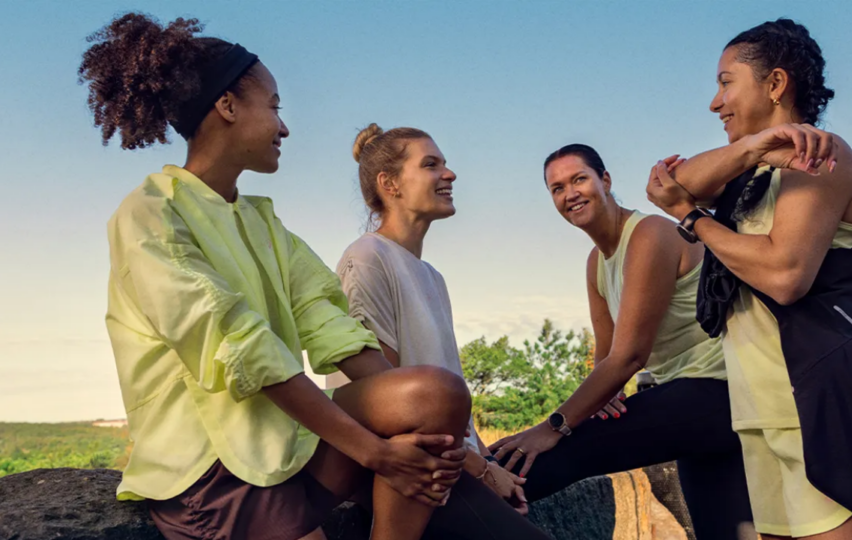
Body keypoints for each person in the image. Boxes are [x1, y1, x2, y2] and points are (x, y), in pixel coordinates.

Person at [83, 13, 544, 540]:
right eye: (275, 107)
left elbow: (332, 326)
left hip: (293, 447)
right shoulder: (150, 215)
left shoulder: (263, 222)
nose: (284, 126)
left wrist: (438, 433)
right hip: (216, 474)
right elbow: (243, 346)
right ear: (228, 106)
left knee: (436, 393)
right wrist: (376, 452)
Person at [645, 18, 852, 540]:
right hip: (764, 416)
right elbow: (668, 184)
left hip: (837, 408)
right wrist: (754, 148)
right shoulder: (752, 172)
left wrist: (693, 220)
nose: (715, 102)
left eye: (726, 81)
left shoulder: (823, 156)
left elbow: (785, 275)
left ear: (776, 83)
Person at [489, 143, 755, 540]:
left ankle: (456, 499)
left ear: (605, 181)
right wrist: (604, 392)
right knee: (724, 532)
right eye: (557, 188)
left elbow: (630, 356)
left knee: (564, 448)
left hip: (719, 391)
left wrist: (553, 425)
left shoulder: (650, 233)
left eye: (579, 179)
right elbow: (607, 357)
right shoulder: (597, 262)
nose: (570, 193)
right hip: (686, 402)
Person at [327, 123, 537, 520]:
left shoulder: (432, 276)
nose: (450, 174)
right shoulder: (367, 258)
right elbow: (386, 400)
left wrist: (488, 462)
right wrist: (482, 470)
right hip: (405, 476)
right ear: (390, 184)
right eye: (431, 164)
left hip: (449, 465)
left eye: (445, 163)